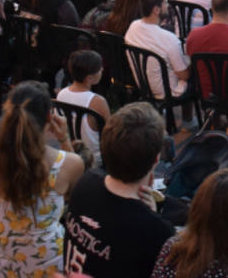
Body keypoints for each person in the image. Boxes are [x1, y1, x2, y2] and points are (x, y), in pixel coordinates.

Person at [0, 82, 85, 277]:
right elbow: (77, 196)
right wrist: (64, 138)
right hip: (51, 268)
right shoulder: (67, 163)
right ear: (49, 116)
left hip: (4, 269)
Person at [63, 102, 174, 278]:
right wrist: (151, 217)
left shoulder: (85, 182)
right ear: (155, 160)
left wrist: (149, 217)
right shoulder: (159, 232)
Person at [57, 50, 112, 167]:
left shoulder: (61, 94)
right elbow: (111, 134)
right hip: (94, 161)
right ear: (89, 78)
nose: (102, 69)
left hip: (70, 154)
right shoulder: (98, 101)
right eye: (99, 68)